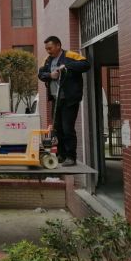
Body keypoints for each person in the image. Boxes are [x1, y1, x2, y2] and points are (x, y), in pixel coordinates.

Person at [38, 36, 90, 167]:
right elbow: (40, 74)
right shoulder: (47, 60)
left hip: (69, 100)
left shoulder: (70, 55)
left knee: (68, 129)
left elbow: (86, 64)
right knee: (57, 129)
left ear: (58, 46)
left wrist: (66, 66)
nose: (48, 51)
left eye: (50, 48)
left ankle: (71, 157)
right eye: (46, 49)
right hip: (56, 99)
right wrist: (50, 75)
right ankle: (61, 155)